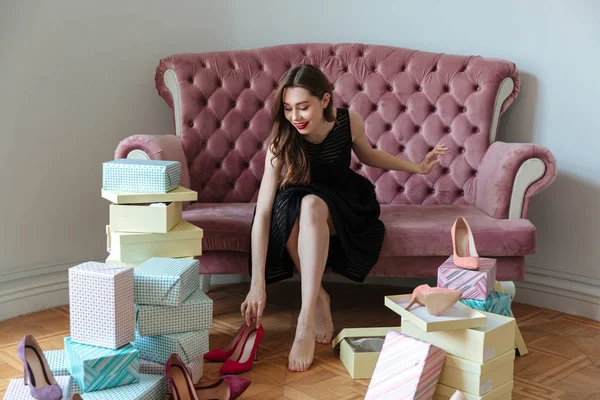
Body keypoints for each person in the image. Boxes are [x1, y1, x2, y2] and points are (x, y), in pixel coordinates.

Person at [241, 64, 447, 372]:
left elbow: (369, 156)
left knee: (312, 204)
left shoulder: (348, 121)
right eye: (287, 109)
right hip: (298, 202)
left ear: (324, 100)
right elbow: (264, 212)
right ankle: (318, 298)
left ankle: (305, 319)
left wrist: (418, 167)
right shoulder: (281, 140)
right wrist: (257, 283)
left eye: (302, 107)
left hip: (342, 198)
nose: (295, 117)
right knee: (302, 205)